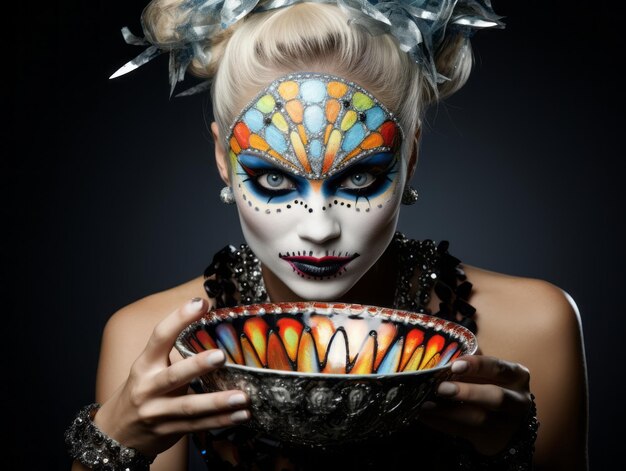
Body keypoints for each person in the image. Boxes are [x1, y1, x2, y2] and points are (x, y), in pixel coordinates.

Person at [65, 1, 588, 470]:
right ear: (223, 160)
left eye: (359, 178)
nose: (318, 228)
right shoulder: (156, 343)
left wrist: (516, 456)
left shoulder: (532, 328)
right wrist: (113, 445)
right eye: (274, 178)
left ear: (410, 156)